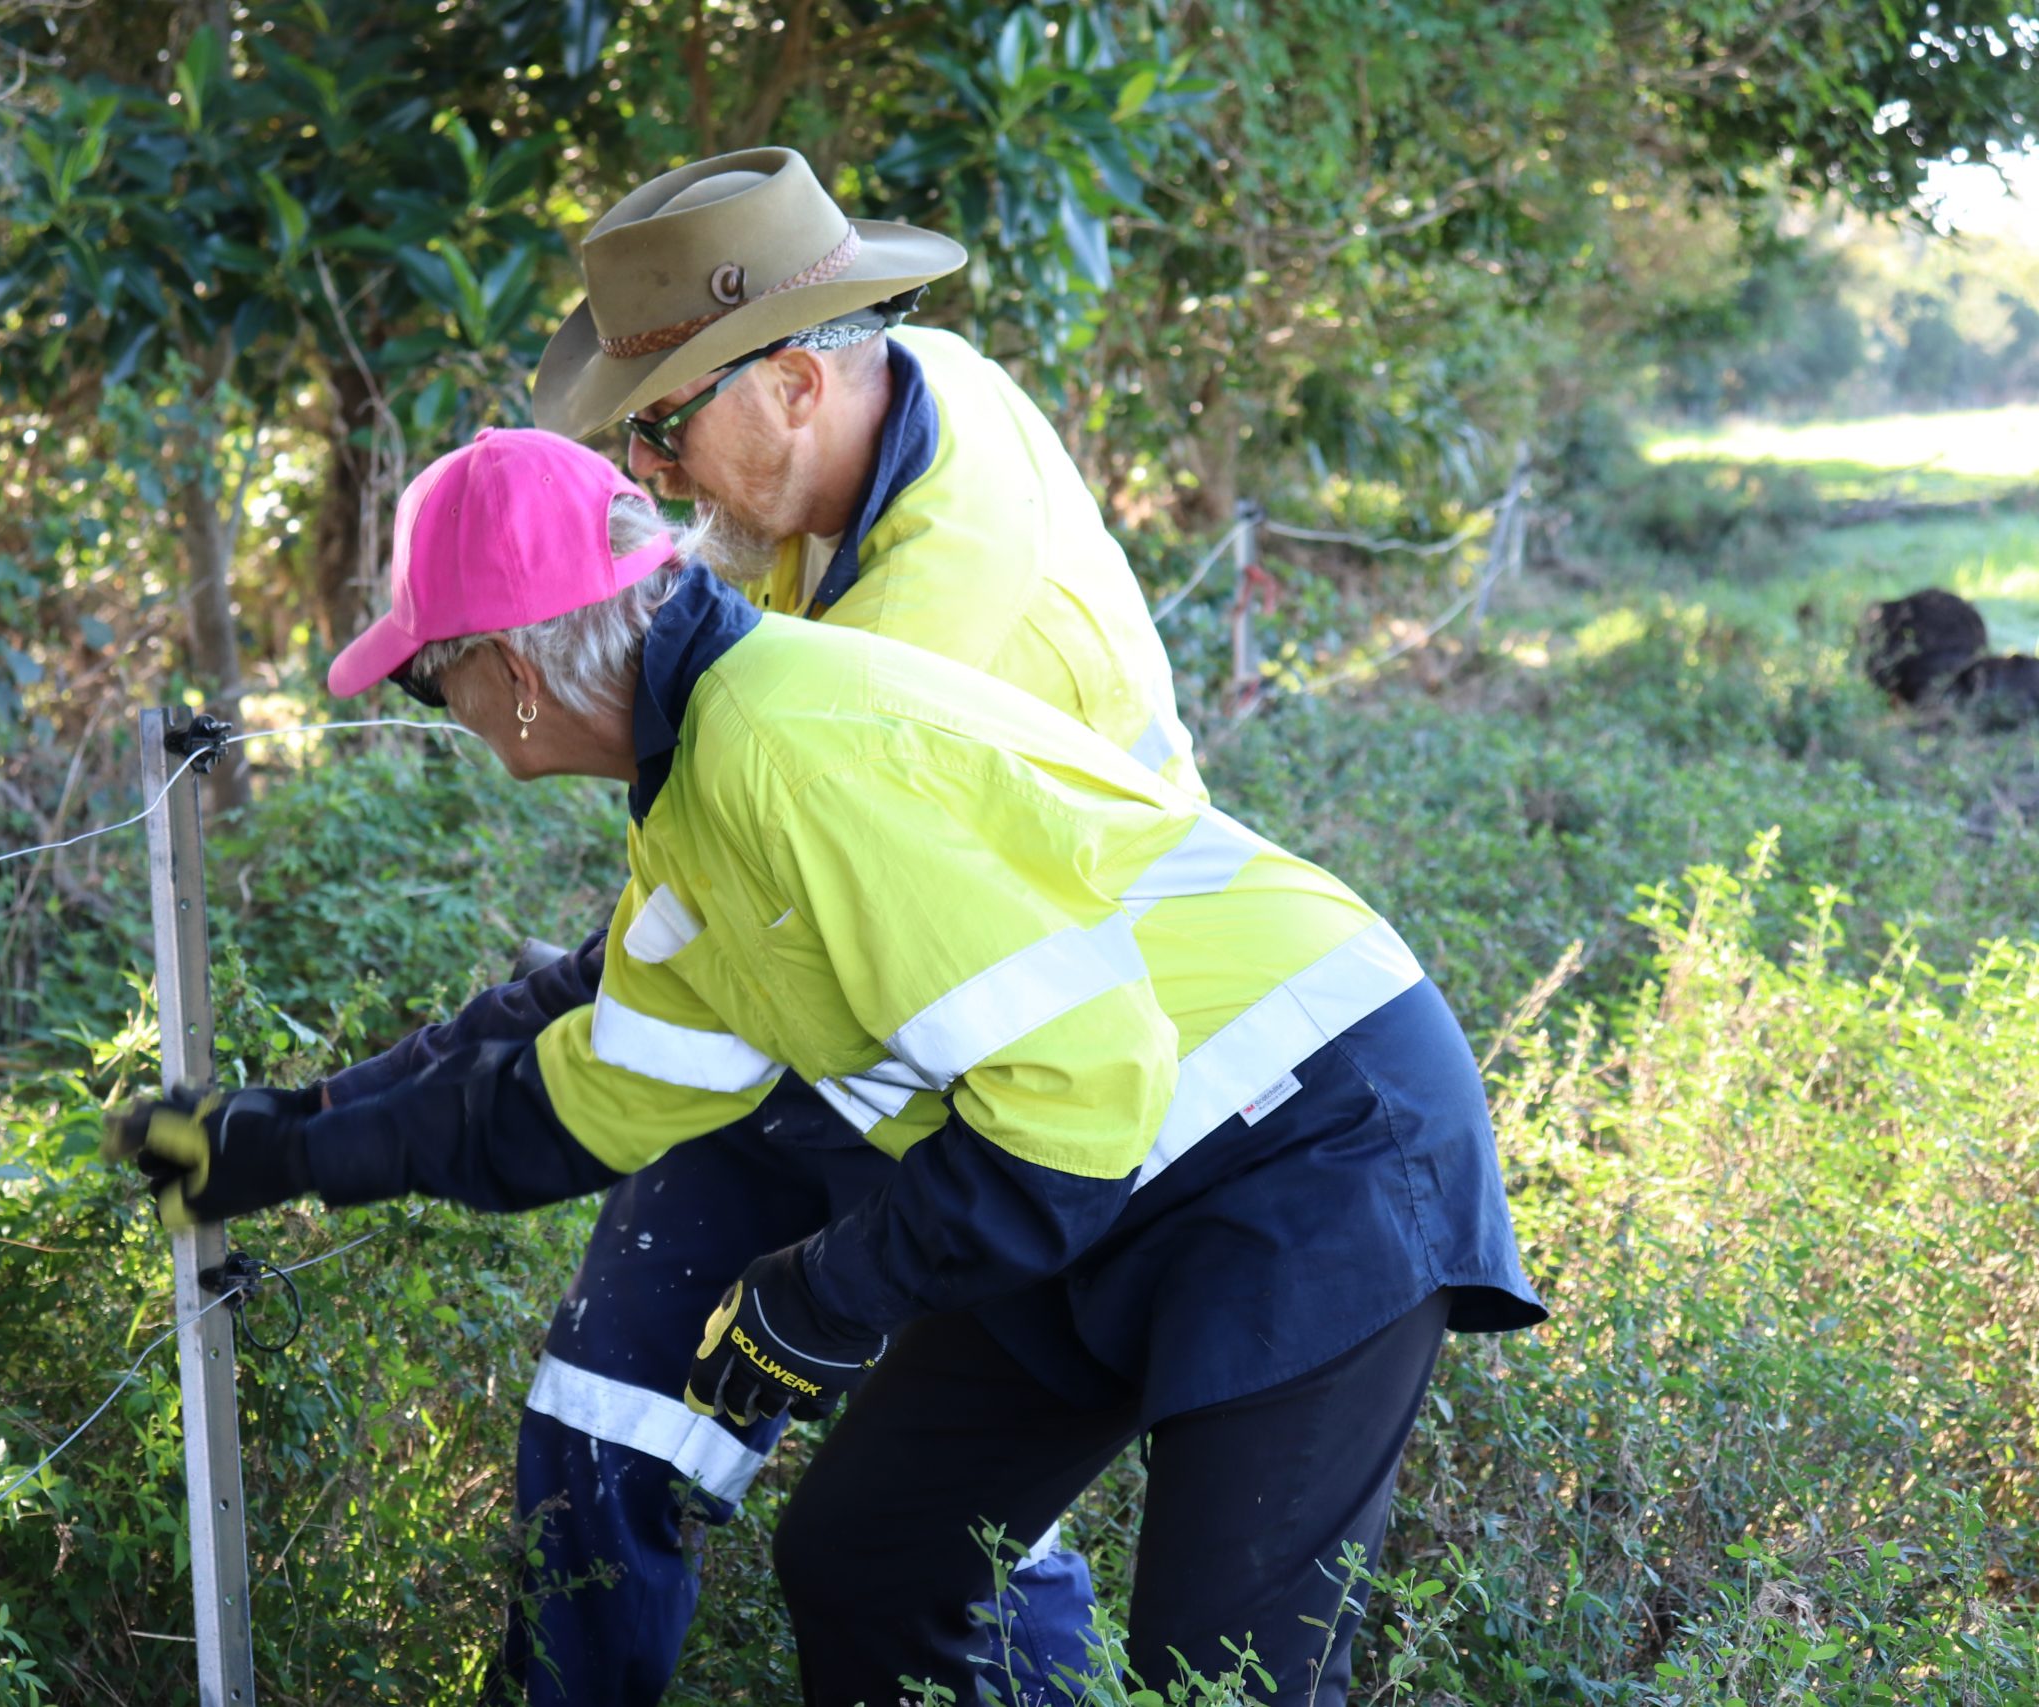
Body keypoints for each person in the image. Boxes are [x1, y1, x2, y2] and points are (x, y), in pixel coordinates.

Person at [104, 429, 1545, 1706]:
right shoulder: (701, 799)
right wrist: (280, 1147)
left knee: (1220, 1680)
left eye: (432, 673)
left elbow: (1075, 1092)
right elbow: (576, 1099)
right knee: (868, 1560)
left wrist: (821, 1293)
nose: (441, 707)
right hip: (1113, 1168)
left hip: (1308, 1138)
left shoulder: (784, 748)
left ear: (517, 671)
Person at [500, 145, 1203, 1704]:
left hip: (1023, 1074)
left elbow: (732, 881)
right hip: (892, 1001)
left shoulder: (907, 628)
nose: (657, 478)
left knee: (945, 1511)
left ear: (799, 381)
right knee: (627, 1405)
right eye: (638, 437)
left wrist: (528, 1051)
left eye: (668, 425)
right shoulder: (914, 380)